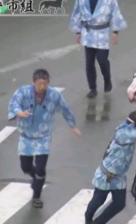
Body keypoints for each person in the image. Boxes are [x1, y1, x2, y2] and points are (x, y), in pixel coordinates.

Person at [8, 69, 81, 208]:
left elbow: (65, 108)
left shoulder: (54, 95)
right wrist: (19, 113)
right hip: (26, 136)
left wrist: (72, 125)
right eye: (39, 84)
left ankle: (37, 195)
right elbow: (14, 104)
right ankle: (36, 177)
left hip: (43, 137)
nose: (42, 87)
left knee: (41, 168)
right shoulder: (23, 92)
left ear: (48, 83)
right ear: (33, 82)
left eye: (45, 84)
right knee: (26, 167)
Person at [85, 110, 136, 224]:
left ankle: (97, 222)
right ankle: (88, 217)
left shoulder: (129, 129)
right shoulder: (124, 133)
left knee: (119, 204)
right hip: (106, 175)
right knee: (98, 200)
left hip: (119, 176)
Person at [69, 0, 127, 98]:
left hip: (102, 34)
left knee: (102, 60)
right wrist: (78, 32)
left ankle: (107, 79)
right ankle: (93, 88)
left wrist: (115, 32)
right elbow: (76, 13)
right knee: (89, 63)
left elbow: (115, 12)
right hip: (88, 34)